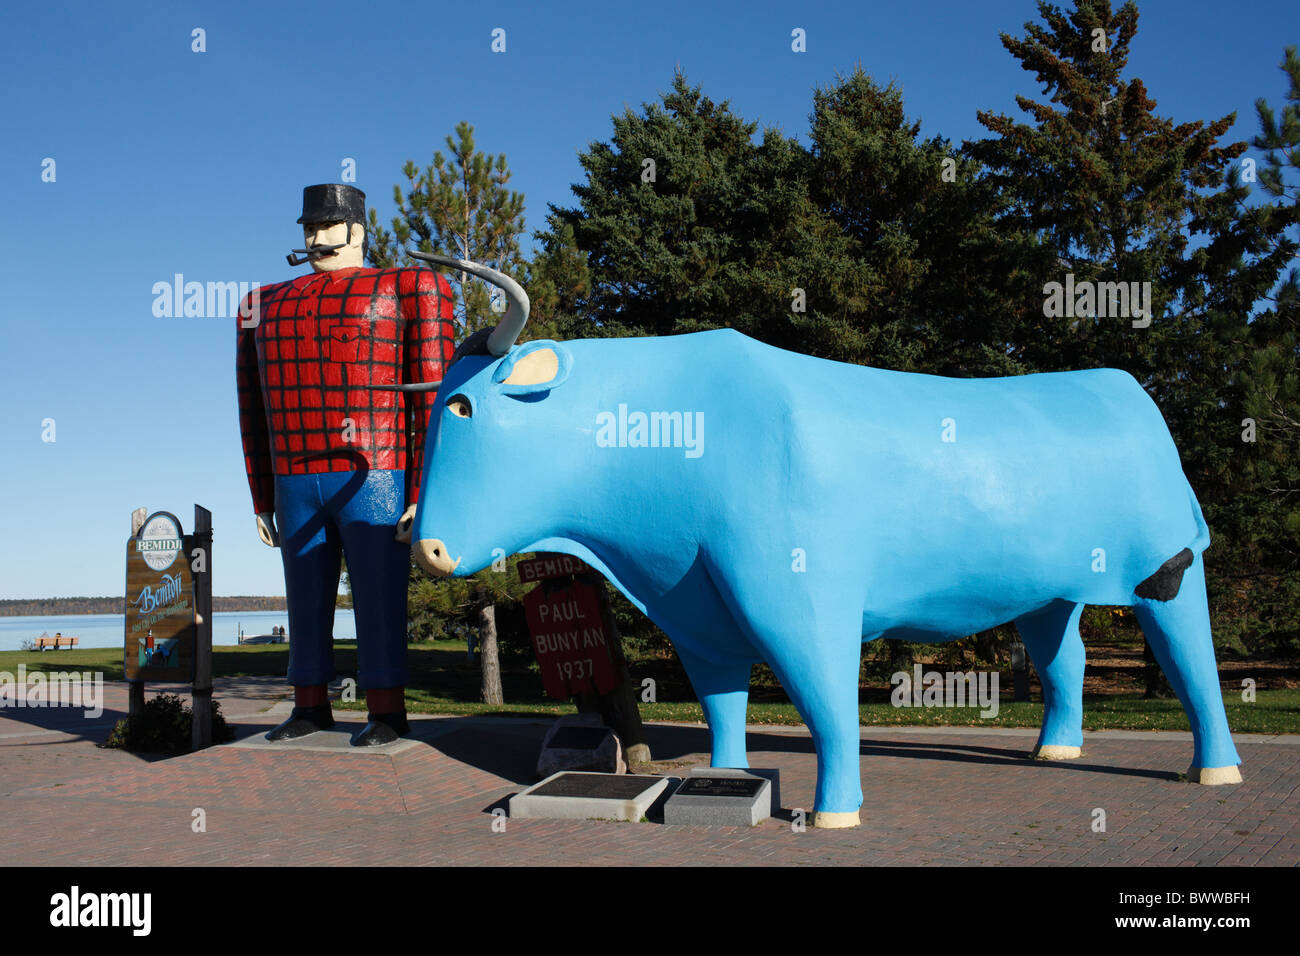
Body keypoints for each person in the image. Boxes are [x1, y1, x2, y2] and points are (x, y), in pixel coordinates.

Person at [237, 183, 456, 745]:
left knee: (378, 594)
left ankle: (386, 709)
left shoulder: (411, 286)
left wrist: (426, 490)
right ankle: (308, 703)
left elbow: (435, 399)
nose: (315, 235)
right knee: (303, 594)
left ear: (357, 230)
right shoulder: (260, 304)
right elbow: (252, 405)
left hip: (376, 469)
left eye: (327, 225)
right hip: (294, 473)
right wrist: (262, 496)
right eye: (309, 226)